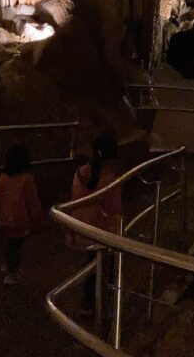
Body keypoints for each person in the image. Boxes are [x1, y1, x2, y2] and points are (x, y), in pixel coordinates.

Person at [68, 132, 122, 311]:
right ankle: (96, 304)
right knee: (102, 268)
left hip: (79, 228)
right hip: (99, 232)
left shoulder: (80, 173)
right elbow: (114, 209)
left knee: (93, 265)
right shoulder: (109, 181)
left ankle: (91, 301)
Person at [0, 143, 43, 285]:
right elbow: (33, 202)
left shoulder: (3, 177)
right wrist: (38, 219)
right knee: (15, 247)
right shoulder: (27, 180)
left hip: (3, 218)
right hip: (20, 221)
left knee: (8, 244)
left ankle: (7, 265)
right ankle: (11, 273)